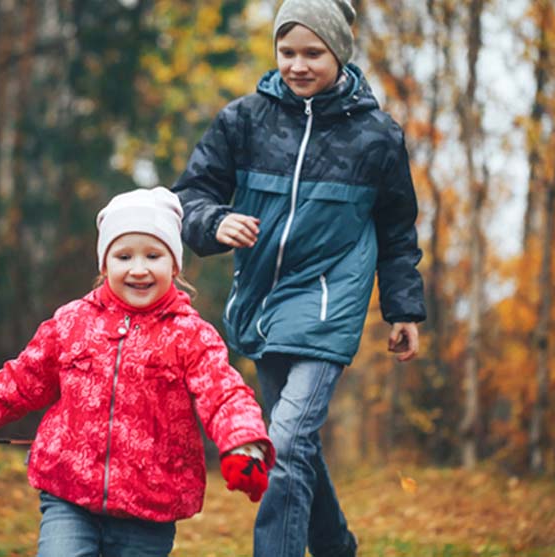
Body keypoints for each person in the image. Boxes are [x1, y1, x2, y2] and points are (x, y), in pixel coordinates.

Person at [172, 0, 426, 555]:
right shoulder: (244, 120)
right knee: (297, 447)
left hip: (331, 303)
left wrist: (403, 308)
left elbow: (397, 230)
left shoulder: (377, 137)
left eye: (313, 53)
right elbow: (189, 195)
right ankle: (336, 547)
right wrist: (215, 221)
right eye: (287, 52)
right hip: (263, 304)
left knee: (280, 444)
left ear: (340, 53)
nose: (298, 65)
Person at [0, 187, 275, 557]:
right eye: (124, 256)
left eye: (154, 255)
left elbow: (222, 392)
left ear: (174, 265)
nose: (139, 269)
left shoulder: (189, 334)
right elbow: (23, 378)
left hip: (150, 507)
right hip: (69, 493)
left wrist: (244, 445)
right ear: (104, 264)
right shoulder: (71, 323)